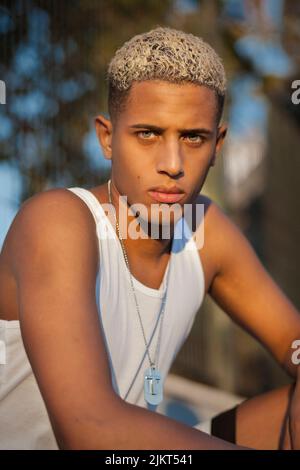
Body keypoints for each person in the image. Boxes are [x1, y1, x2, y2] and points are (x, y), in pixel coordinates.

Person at [0, 26, 299, 450]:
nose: (172, 163)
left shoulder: (204, 230)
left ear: (217, 145)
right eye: (148, 134)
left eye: (193, 137)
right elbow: (90, 431)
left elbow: (294, 342)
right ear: (107, 138)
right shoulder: (57, 222)